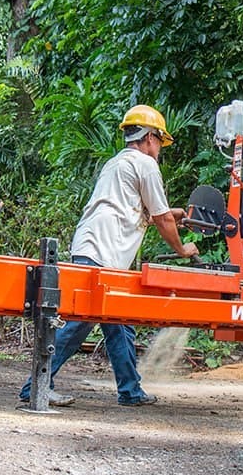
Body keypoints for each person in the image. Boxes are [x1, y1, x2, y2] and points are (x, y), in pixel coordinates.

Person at [20, 104, 197, 408]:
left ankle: (130, 391)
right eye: (160, 142)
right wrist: (183, 249)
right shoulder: (146, 164)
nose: (160, 149)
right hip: (103, 252)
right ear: (151, 137)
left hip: (93, 247)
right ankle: (34, 387)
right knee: (81, 324)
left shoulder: (117, 163)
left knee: (119, 322)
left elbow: (147, 210)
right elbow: (161, 219)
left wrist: (175, 214)